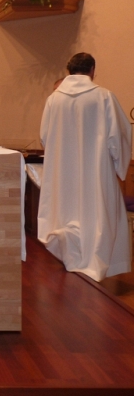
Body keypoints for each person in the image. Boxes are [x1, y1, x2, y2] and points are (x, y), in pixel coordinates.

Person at [38, 53, 132, 281]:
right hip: (95, 171)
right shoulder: (103, 97)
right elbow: (119, 135)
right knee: (97, 214)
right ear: (92, 70)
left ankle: (71, 254)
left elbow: (44, 137)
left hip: (64, 172)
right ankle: (95, 261)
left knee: (66, 212)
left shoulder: (54, 99)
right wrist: (120, 164)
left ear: (70, 70)